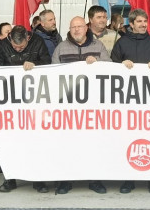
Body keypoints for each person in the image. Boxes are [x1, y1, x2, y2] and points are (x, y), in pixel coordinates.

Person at [51, 16, 109, 195]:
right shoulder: (61, 47)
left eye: (79, 26)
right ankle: (65, 180)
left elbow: (110, 69)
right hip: (68, 106)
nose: (76, 30)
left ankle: (94, 179)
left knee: (93, 144)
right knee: (67, 144)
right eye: (73, 27)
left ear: (86, 27)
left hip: (93, 105)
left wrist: (98, 64)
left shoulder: (98, 46)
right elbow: (53, 73)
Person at [110, 8, 150, 195]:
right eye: (140, 22)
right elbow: (111, 69)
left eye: (145, 21)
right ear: (131, 24)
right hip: (127, 101)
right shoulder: (121, 43)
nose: (143, 25)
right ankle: (128, 179)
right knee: (128, 140)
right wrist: (121, 66)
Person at [0, 26, 51, 193]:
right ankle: (9, 178)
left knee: (36, 139)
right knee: (11, 140)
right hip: (11, 99)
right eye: (15, 47)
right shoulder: (3, 45)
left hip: (35, 98)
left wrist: (35, 64)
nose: (18, 50)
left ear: (28, 37)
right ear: (10, 38)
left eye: (22, 47)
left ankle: (38, 180)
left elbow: (48, 62)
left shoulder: (38, 41)